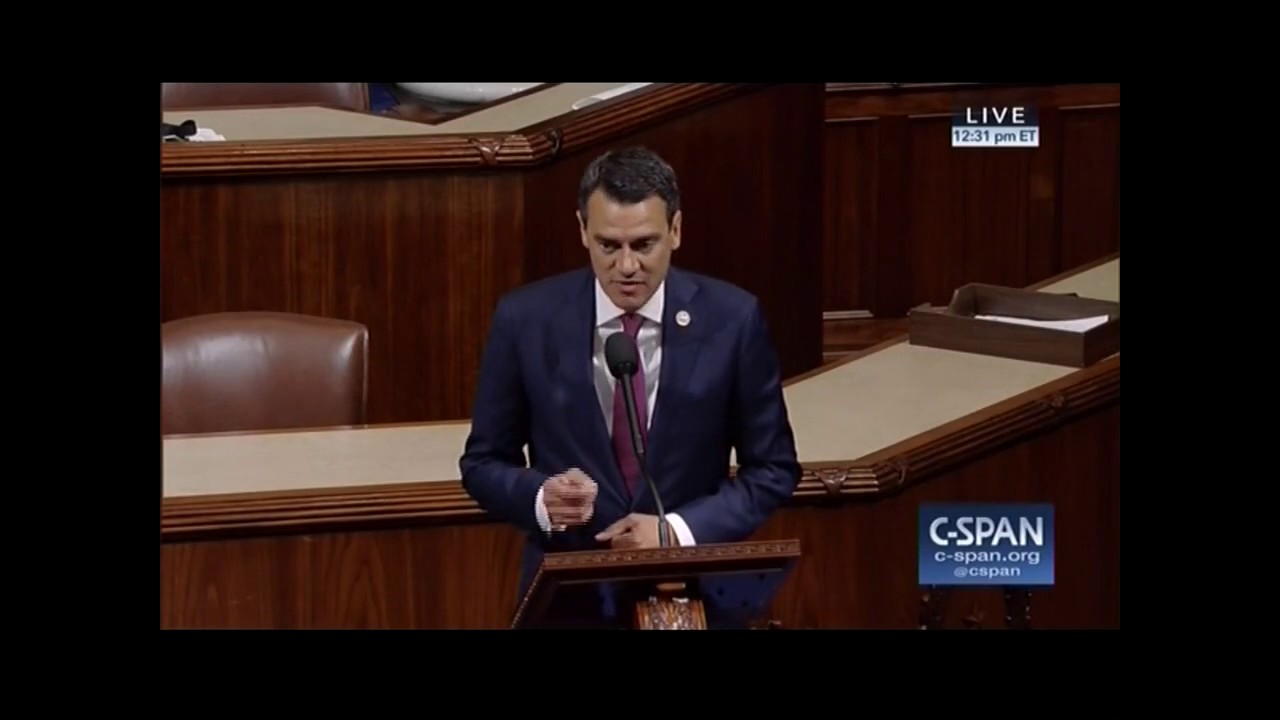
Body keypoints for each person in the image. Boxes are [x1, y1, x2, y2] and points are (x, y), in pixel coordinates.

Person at [459, 145, 801, 627]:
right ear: (582, 231)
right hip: (568, 596)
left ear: (675, 230)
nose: (626, 266)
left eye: (643, 245)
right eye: (608, 245)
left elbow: (772, 469)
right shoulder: (526, 320)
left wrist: (675, 530)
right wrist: (540, 498)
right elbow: (482, 463)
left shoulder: (732, 320)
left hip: (690, 593)